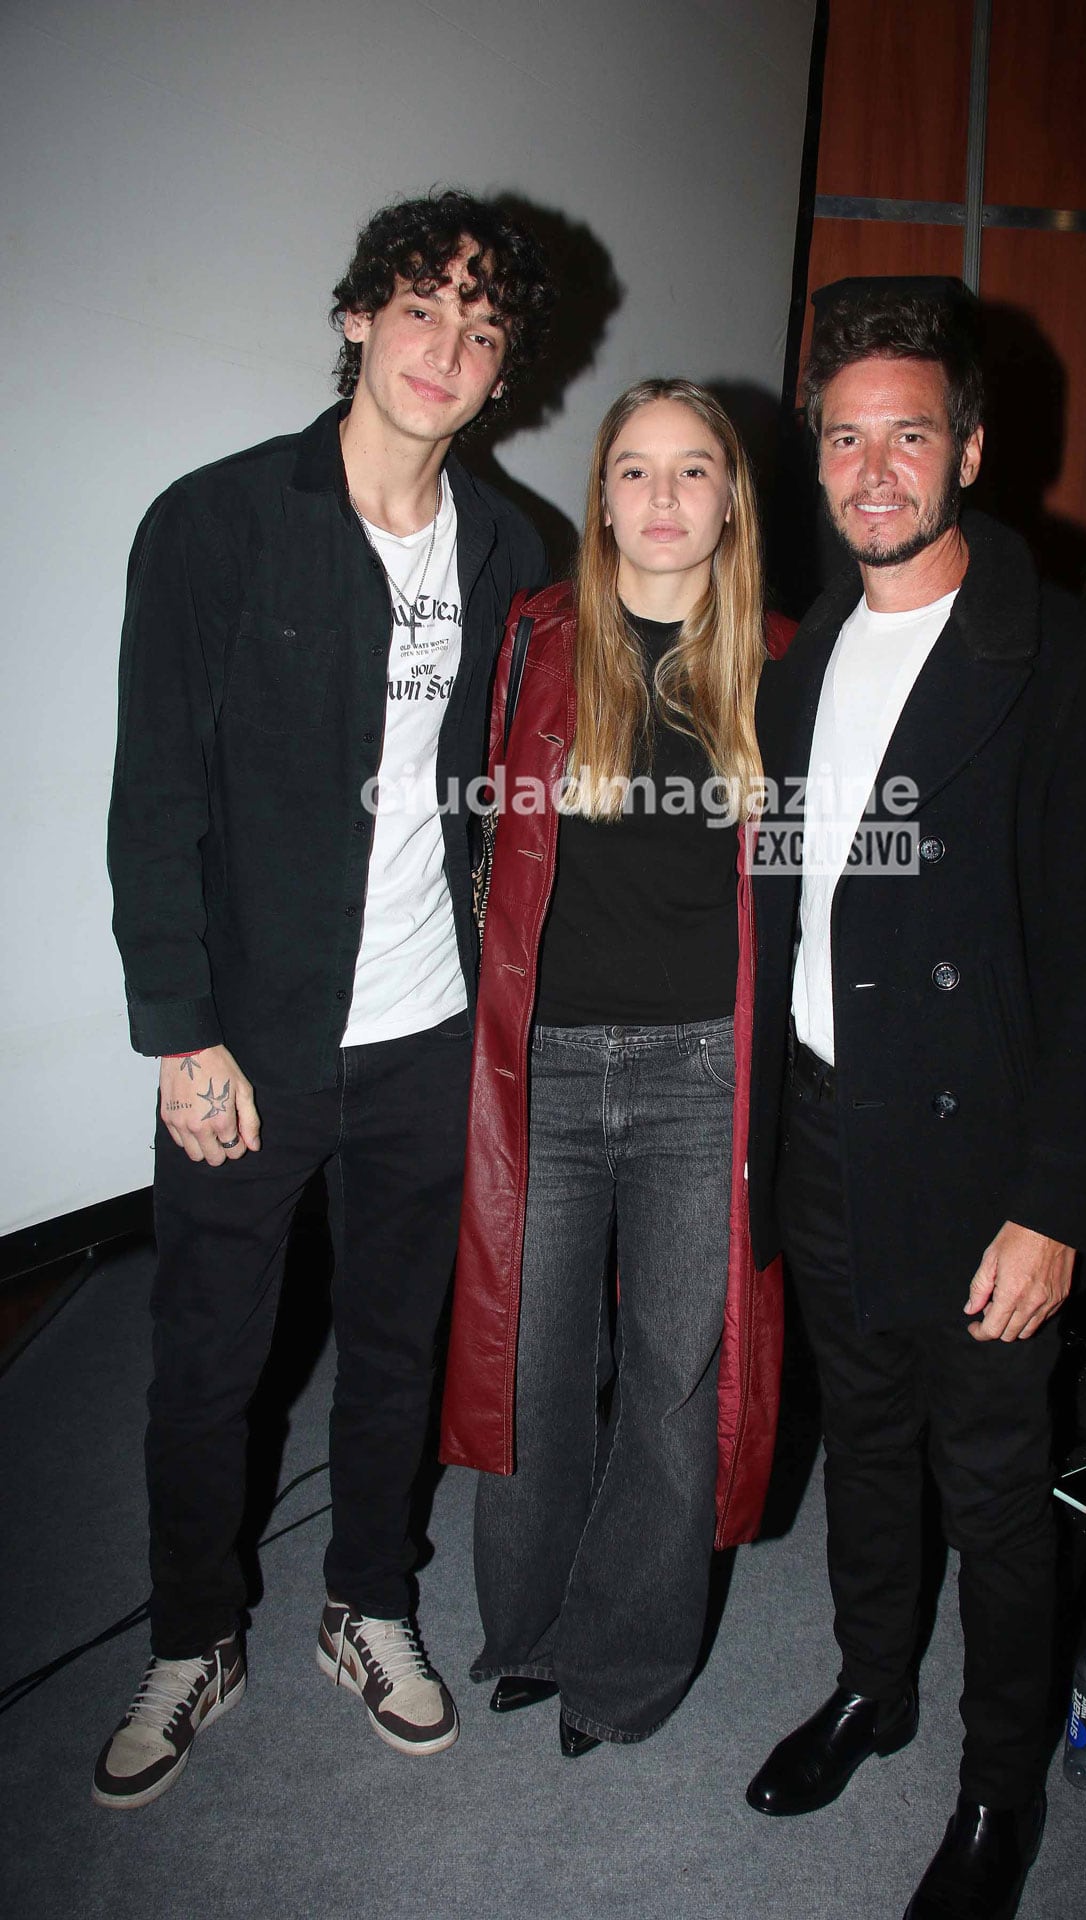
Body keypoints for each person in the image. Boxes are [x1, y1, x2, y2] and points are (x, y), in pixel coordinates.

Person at [97, 191, 555, 1809]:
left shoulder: (519, 555)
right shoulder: (216, 526)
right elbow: (156, 794)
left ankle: (371, 1602)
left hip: (431, 1045)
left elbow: (529, 794)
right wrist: (180, 1028)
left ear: (506, 373)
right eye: (423, 309)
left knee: (395, 1345)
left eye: (484, 330)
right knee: (206, 1360)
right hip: (254, 1045)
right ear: (359, 317)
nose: (449, 349)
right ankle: (194, 1631)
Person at [742, 279, 1086, 1920]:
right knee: (863, 1440)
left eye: (907, 433)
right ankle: (873, 1686)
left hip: (982, 1157)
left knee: (992, 1479)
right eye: (843, 436)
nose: (870, 467)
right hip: (829, 1126)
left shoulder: (1072, 656)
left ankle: (998, 1787)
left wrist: (1057, 1204)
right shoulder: (809, 653)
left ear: (971, 448)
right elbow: (796, 892)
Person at [438, 378, 792, 1755]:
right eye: (633, 470)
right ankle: (527, 1629)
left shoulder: (783, 662)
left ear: (729, 500)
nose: (660, 499)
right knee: (530, 1370)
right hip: (550, 1072)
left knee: (674, 1379)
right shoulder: (536, 643)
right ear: (601, 496)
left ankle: (627, 1668)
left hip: (710, 1077)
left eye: (691, 470)